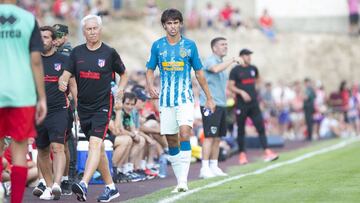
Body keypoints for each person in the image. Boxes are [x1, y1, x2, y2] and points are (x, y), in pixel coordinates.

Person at [58, 14, 128, 202]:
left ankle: (84, 183)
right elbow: (65, 75)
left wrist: (120, 89)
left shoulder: (109, 53)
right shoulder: (76, 53)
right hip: (83, 108)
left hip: (103, 106)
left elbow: (124, 74)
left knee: (94, 145)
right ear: (84, 32)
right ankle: (111, 188)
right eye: (88, 29)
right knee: (98, 150)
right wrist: (62, 83)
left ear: (100, 29)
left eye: (95, 28)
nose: (92, 32)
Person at [146, 8, 216, 193]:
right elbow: (150, 69)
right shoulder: (157, 46)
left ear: (181, 24)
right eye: (169, 23)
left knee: (185, 133)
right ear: (164, 26)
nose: (173, 26)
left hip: (185, 98)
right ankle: (180, 181)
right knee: (171, 140)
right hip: (166, 100)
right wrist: (150, 84)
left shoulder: (190, 46)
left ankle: (183, 181)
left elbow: (199, 73)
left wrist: (209, 97)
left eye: (176, 22)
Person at [0, 1, 47, 203]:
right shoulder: (28, 19)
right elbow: (35, 61)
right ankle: (16, 201)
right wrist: (42, 97)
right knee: (19, 152)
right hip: (23, 93)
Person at [33, 26, 70, 201]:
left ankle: (57, 184)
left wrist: (77, 104)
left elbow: (73, 84)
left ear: (54, 41)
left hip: (58, 109)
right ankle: (48, 186)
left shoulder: (64, 60)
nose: (43, 40)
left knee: (58, 147)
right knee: (42, 150)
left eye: (46, 37)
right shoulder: (32, 60)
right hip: (38, 111)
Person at [199, 37, 242, 179]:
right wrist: (233, 60)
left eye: (226, 44)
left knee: (218, 138)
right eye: (222, 45)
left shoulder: (222, 64)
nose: (225, 47)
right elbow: (215, 69)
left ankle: (214, 165)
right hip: (210, 104)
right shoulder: (211, 60)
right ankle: (204, 168)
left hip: (221, 104)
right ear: (214, 48)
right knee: (209, 136)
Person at [228, 49, 278, 165]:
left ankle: (267, 151)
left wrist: (257, 94)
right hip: (241, 104)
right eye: (246, 55)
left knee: (261, 127)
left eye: (250, 55)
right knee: (241, 130)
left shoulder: (253, 68)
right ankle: (242, 155)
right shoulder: (235, 70)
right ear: (241, 56)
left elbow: (258, 80)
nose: (249, 57)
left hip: (254, 103)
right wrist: (241, 92)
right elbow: (230, 86)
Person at [53, 23, 77, 195]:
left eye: (60, 35)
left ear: (66, 36)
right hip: (54, 101)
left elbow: (70, 80)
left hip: (65, 100)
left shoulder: (67, 52)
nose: (57, 39)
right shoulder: (54, 52)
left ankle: (69, 177)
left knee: (66, 141)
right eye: (55, 36)